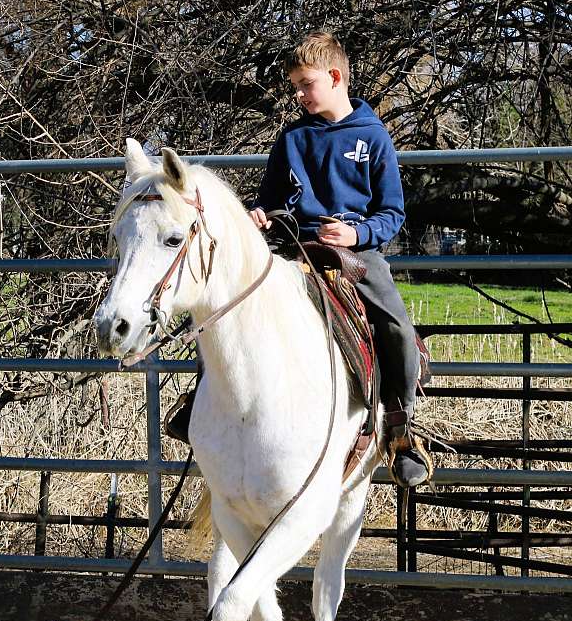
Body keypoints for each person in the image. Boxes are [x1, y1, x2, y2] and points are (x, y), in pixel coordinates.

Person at [168, 31, 430, 488]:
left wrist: (357, 232)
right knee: (224, 308)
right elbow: (271, 199)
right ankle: (201, 401)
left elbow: (392, 213)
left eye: (305, 84)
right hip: (292, 248)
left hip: (355, 253)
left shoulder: (373, 137)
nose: (300, 95)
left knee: (396, 325)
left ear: (334, 77)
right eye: (296, 87)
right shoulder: (291, 138)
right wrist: (261, 215)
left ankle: (399, 426)